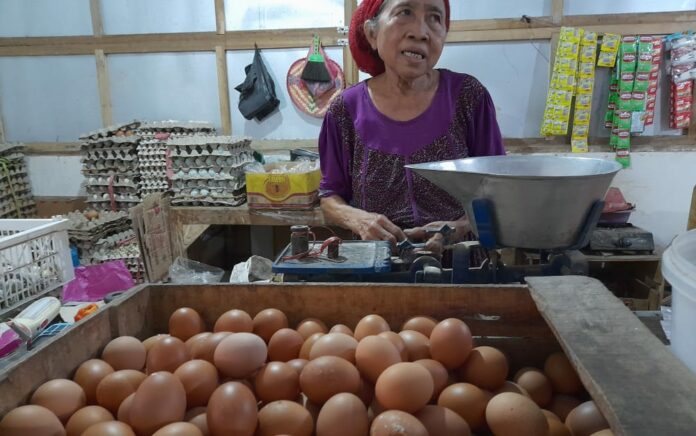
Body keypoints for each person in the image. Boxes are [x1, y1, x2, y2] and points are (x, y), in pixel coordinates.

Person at [318, 0, 505, 255]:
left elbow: (498, 188)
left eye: (435, 18)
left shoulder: (468, 97)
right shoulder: (345, 110)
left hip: (462, 265)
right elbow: (330, 196)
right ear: (372, 34)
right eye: (405, 12)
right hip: (377, 267)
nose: (420, 31)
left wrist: (462, 225)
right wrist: (361, 220)